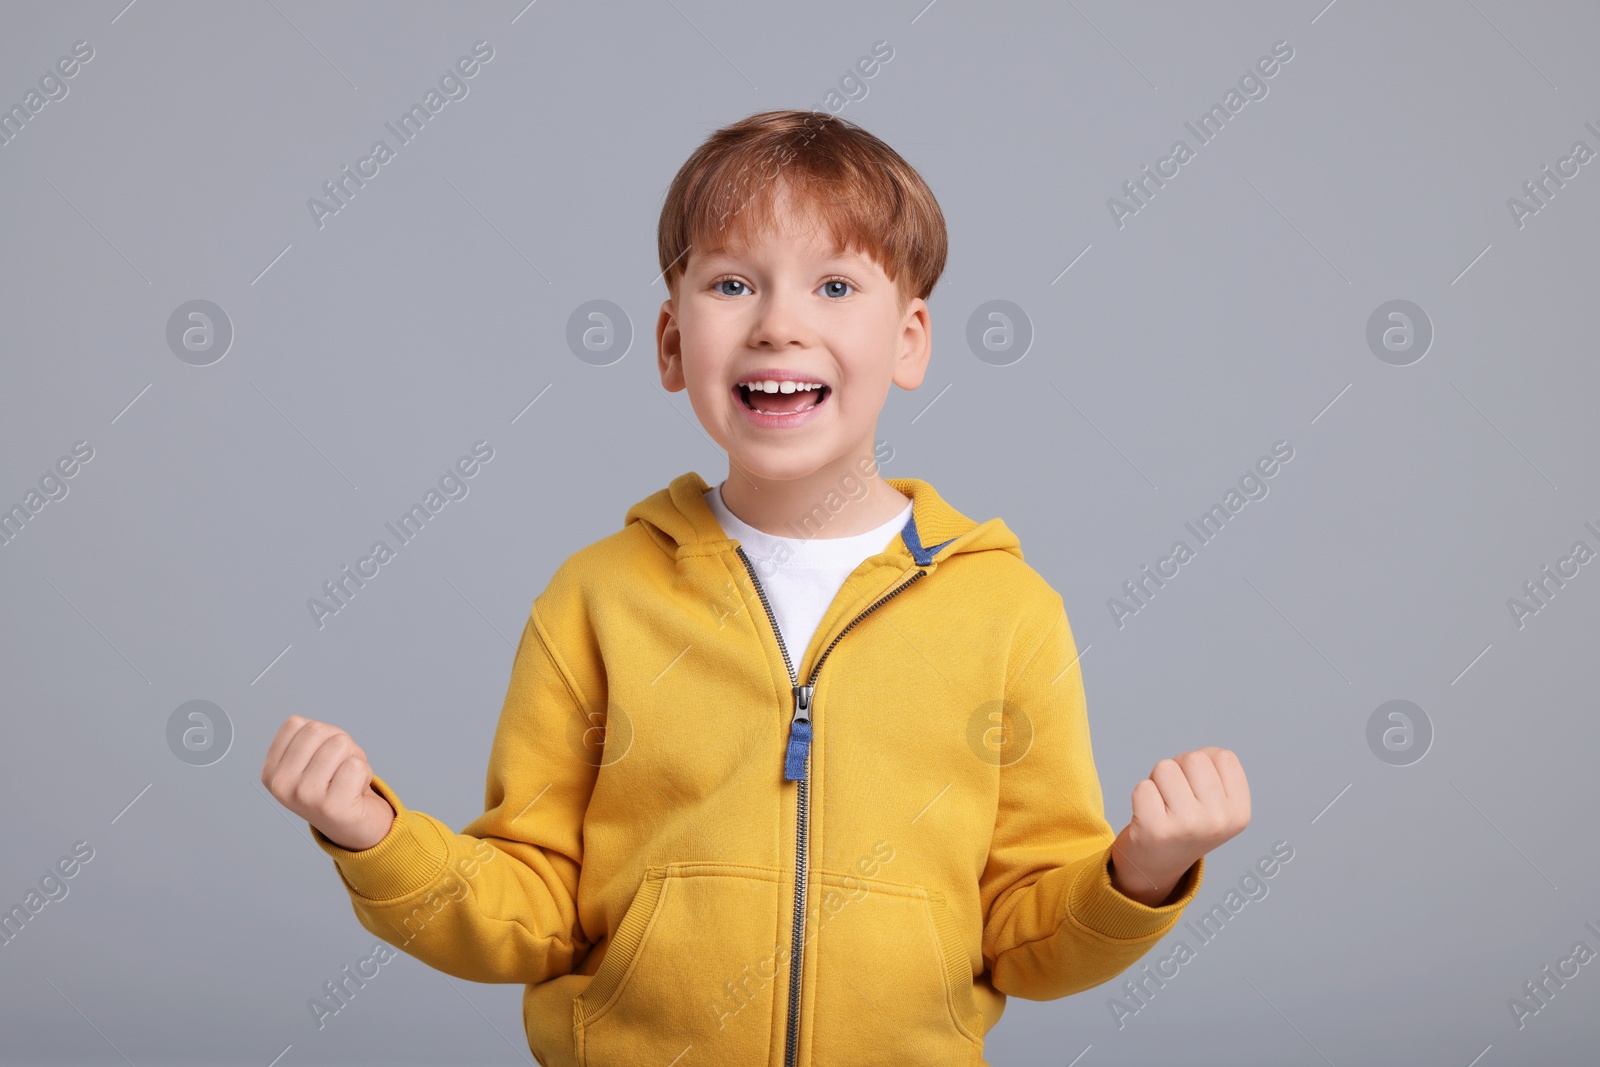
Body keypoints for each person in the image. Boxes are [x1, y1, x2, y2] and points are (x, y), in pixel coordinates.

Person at [262, 108, 1250, 1067]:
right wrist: (375, 835)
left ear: (909, 340)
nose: (779, 323)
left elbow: (1026, 938)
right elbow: (529, 907)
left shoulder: (1007, 613)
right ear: (668, 342)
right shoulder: (597, 599)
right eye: (733, 284)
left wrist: (1142, 871)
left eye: (832, 285)